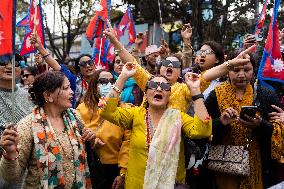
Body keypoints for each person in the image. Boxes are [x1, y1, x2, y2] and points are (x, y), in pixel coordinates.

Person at [99, 62, 212, 189]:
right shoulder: (135, 114)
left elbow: (202, 131)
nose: (159, 89)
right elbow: (105, 111)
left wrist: (196, 92)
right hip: (137, 184)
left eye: (164, 86)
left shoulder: (178, 117)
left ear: (169, 95)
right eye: (153, 85)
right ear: (145, 94)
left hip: (170, 184)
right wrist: (123, 77)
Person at [103, 20, 254, 113]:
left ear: (180, 72)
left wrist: (229, 65)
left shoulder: (185, 89)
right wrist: (114, 41)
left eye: (174, 64)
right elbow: (132, 63)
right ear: (159, 68)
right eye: (165, 63)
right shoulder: (149, 82)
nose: (169, 65)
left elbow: (207, 75)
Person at [0, 71, 95, 189]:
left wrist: (91, 138)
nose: (71, 92)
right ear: (48, 96)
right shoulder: (28, 125)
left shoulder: (75, 117)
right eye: (65, 88)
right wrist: (10, 153)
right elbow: (11, 177)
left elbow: (91, 147)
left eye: (70, 87)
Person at [205, 49, 283, 189]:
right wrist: (220, 122)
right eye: (235, 70)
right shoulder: (214, 96)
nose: (241, 75)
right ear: (227, 71)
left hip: (259, 164)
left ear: (253, 70)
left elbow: (278, 131)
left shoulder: (266, 95)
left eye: (247, 69)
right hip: (223, 165)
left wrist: (260, 125)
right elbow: (201, 129)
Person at [76, 69, 130, 189]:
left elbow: (128, 144)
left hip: (115, 169)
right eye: (103, 81)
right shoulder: (81, 109)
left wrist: (123, 173)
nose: (109, 85)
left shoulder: (125, 110)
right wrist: (90, 141)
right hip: (89, 167)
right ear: (94, 86)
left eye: (113, 81)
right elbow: (73, 138)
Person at [30, 33, 95, 108]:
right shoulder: (74, 81)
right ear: (79, 68)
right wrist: (41, 48)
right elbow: (58, 68)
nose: (87, 66)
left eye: (90, 62)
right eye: (83, 64)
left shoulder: (103, 78)